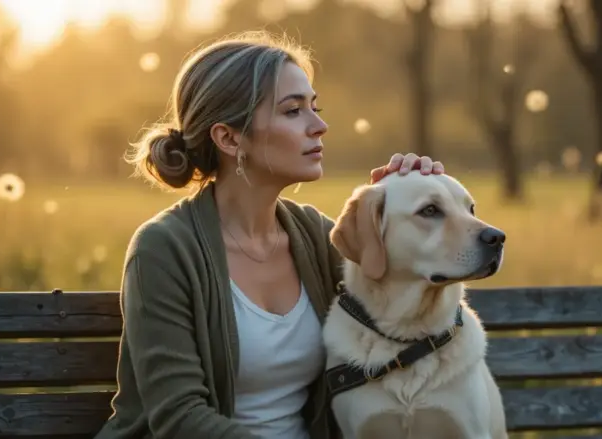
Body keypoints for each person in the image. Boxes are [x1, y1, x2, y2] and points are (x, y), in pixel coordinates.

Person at [94, 31, 444, 439]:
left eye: (315, 107)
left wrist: (398, 210)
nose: (320, 126)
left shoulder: (318, 237)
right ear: (229, 138)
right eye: (293, 111)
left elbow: (410, 324)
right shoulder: (164, 250)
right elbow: (179, 419)